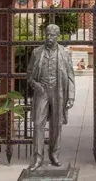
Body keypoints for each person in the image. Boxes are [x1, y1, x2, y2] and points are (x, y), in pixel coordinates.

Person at [26, 24, 75, 171]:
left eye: (52, 35)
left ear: (58, 36)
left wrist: (71, 96)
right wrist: (35, 85)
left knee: (56, 125)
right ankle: (38, 158)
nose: (49, 38)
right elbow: (29, 74)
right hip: (42, 91)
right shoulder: (37, 52)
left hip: (58, 91)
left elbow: (71, 76)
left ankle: (54, 155)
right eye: (47, 35)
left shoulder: (65, 53)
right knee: (38, 125)